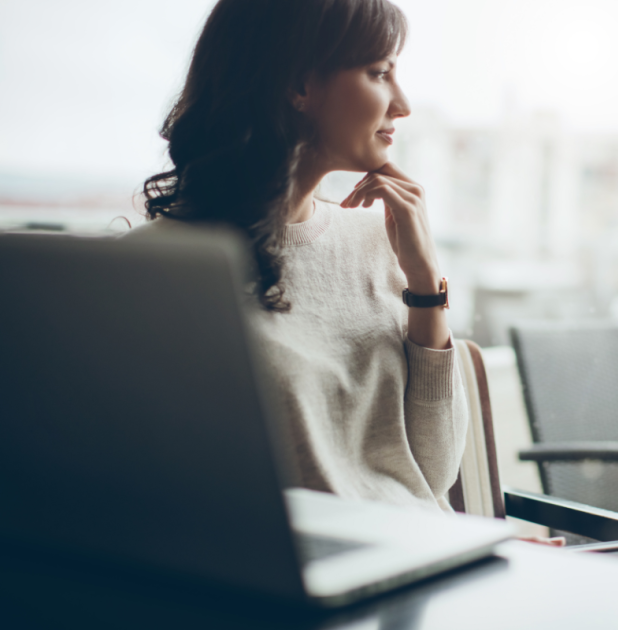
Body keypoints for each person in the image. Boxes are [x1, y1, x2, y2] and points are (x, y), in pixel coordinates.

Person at [132, 0, 468, 515]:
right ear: (298, 85)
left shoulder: (381, 241)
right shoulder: (163, 270)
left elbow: (433, 473)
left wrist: (425, 283)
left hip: (418, 550)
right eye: (379, 73)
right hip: (290, 573)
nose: (401, 104)